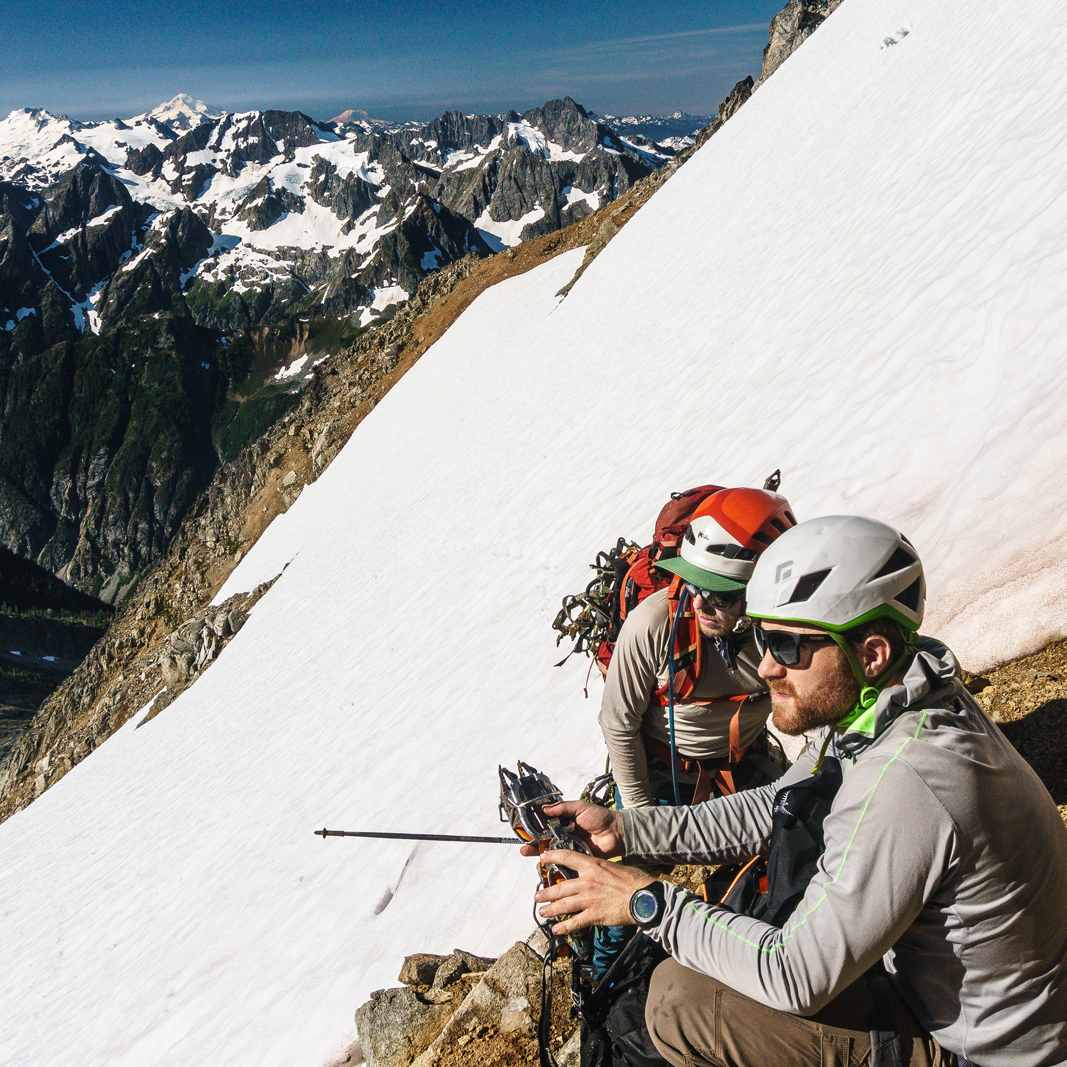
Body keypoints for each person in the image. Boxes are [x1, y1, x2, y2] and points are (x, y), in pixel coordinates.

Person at [529, 515, 1067, 1067]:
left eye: (787, 645)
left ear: (872, 651)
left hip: (985, 1052)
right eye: (763, 637)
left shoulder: (905, 779)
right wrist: (625, 828)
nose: (764, 667)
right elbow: (781, 802)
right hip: (984, 1009)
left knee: (679, 1002)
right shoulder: (897, 696)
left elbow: (795, 976)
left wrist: (646, 903)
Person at [592, 486, 797, 976]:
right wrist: (639, 818)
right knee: (621, 881)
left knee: (793, 843)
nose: (701, 603)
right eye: (694, 583)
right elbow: (618, 723)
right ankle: (606, 975)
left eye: (721, 593)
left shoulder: (787, 632)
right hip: (661, 770)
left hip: (740, 761)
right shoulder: (653, 624)